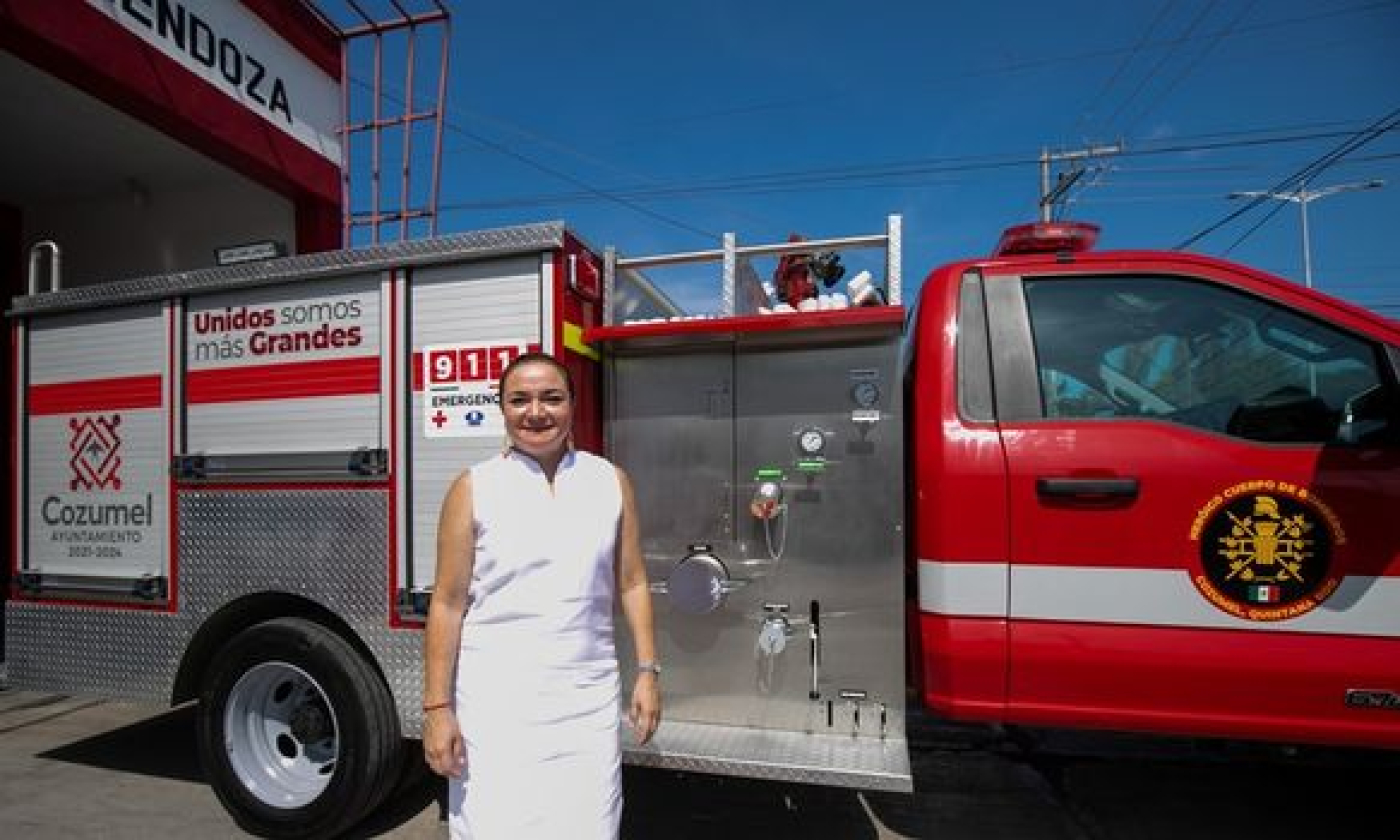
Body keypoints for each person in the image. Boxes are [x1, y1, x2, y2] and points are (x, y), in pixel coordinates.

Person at [421, 351, 661, 839]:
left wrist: (648, 672)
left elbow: (632, 581)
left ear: (573, 404)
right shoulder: (474, 487)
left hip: (586, 699)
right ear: (502, 409)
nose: (536, 412)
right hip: (495, 702)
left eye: (551, 398)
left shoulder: (608, 481)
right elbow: (446, 604)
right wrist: (436, 709)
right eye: (520, 400)